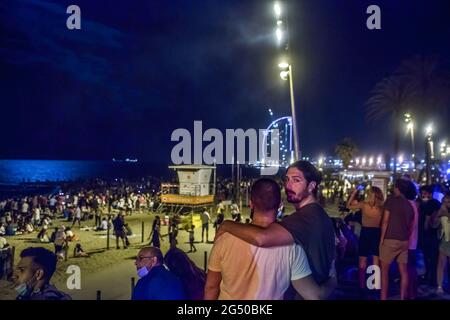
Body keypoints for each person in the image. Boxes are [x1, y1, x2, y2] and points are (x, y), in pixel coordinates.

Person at [216, 161, 335, 294]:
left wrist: (227, 225)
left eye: (296, 180)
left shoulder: (307, 217)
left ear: (311, 186)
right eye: (287, 179)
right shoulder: (317, 214)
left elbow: (262, 237)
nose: (288, 186)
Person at [379, 179, 415, 300]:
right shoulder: (410, 205)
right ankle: (402, 297)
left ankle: (383, 298)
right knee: (403, 271)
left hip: (390, 239)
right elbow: (410, 226)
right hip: (404, 241)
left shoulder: (391, 201)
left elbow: (385, 221)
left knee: (384, 271)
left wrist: (381, 239)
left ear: (397, 188)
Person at [346, 186, 384, 293]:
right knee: (376, 260)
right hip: (377, 232)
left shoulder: (364, 205)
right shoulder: (381, 207)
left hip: (365, 232)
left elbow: (348, 206)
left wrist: (354, 192)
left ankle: (362, 285)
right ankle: (375, 285)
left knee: (362, 260)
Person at [418, 185, 441, 286]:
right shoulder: (437, 203)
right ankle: (432, 277)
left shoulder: (429, 204)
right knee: (432, 257)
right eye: (422, 193)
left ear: (430, 194)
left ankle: (429, 277)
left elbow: (426, 221)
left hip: (428, 234)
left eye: (425, 194)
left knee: (428, 256)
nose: (423, 195)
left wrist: (424, 231)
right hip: (435, 234)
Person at [434, 192, 450, 294]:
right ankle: (439, 286)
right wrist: (437, 216)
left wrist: (446, 214)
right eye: (444, 201)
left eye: (448, 201)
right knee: (441, 264)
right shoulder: (441, 211)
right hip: (444, 240)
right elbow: (434, 225)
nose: (446, 203)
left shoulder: (445, 213)